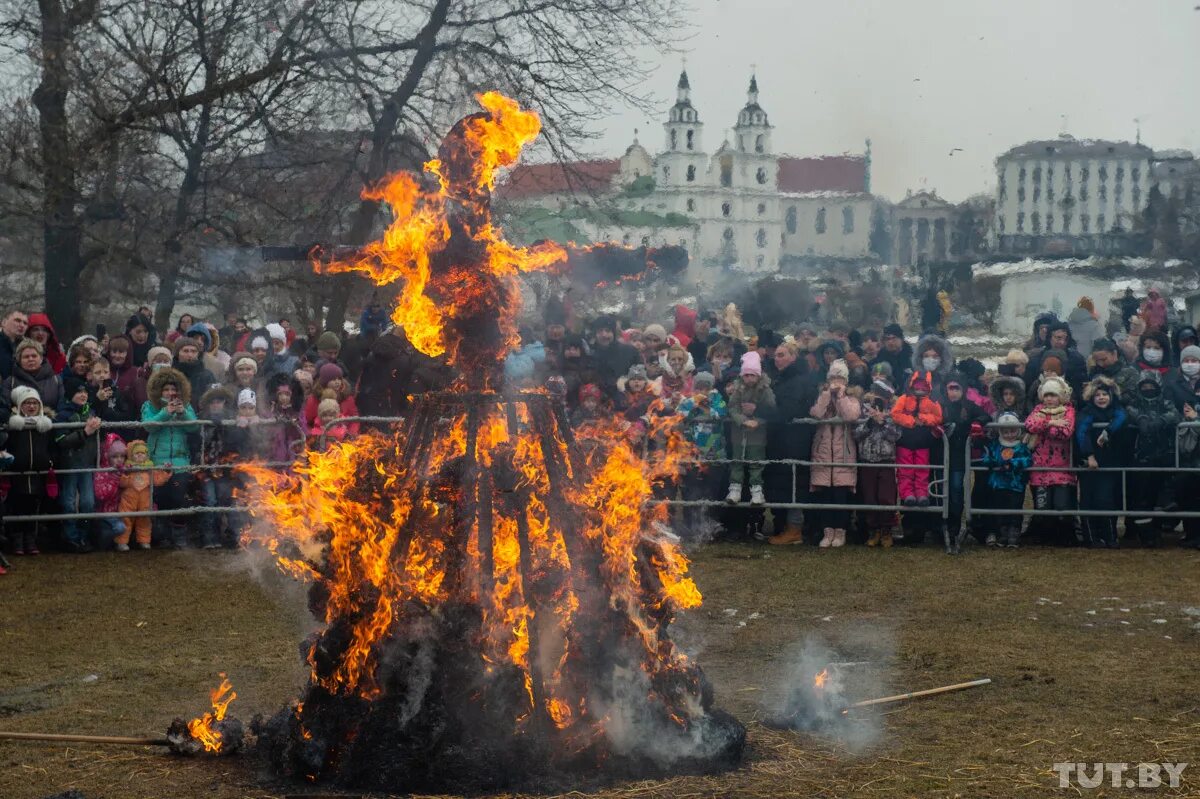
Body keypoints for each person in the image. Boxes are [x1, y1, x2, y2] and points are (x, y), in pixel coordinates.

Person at [141, 367, 198, 548]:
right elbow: (149, 426)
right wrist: (166, 412)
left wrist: (183, 412)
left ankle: (179, 536)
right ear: (159, 390)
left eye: (173, 389)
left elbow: (193, 427)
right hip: (158, 461)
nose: (170, 393)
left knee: (179, 499)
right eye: (166, 389)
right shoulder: (148, 405)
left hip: (180, 462)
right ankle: (162, 535)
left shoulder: (186, 405)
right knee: (161, 498)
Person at [807, 359, 861, 547]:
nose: (836, 381)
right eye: (833, 378)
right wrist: (826, 396)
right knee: (825, 495)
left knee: (841, 495)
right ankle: (827, 531)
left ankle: (841, 531)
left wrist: (841, 397)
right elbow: (816, 413)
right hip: (823, 454)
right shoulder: (822, 396)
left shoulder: (852, 398)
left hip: (843, 456)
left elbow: (851, 415)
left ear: (846, 381)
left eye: (840, 378)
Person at [765, 340, 813, 546]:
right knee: (785, 484)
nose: (777, 358)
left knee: (794, 484)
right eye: (776, 355)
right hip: (783, 439)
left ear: (794, 356)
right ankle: (787, 527)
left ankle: (795, 528)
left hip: (793, 440)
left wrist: (759, 412)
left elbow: (787, 411)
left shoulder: (798, 381)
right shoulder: (783, 379)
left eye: (782, 354)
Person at [1124, 370, 1180, 547]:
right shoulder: (1133, 404)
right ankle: (1146, 535)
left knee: (1163, 497)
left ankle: (1160, 528)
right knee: (1142, 498)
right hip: (1141, 458)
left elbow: (1176, 415)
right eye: (1144, 386)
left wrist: (1162, 420)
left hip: (1165, 456)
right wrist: (1140, 419)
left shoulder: (1166, 403)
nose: (1148, 389)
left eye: (1151, 386)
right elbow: (1129, 412)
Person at [1024, 376, 1077, 546]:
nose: (1049, 399)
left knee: (1061, 505)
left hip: (1061, 468)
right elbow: (1030, 425)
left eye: (1053, 395)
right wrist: (1053, 422)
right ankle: (1045, 537)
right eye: (1046, 395)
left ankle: (1063, 537)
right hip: (1040, 468)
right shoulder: (1038, 409)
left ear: (1061, 396)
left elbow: (1064, 432)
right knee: (1042, 506)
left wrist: (1045, 424)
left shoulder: (1068, 410)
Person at [1076, 376, 1129, 549]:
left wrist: (1108, 431)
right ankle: (1091, 538)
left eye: (1104, 394)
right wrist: (1089, 455)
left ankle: (1111, 537)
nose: (1101, 397)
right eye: (1097, 394)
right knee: (1088, 500)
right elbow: (1082, 432)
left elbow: (1122, 418)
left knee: (1106, 499)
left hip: (1110, 461)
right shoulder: (1087, 412)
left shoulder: (1117, 410)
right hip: (1090, 462)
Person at [53, 381, 104, 552]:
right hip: (69, 465)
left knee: (88, 502)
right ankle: (70, 537)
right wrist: (84, 432)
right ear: (69, 396)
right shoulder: (62, 415)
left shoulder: (91, 412)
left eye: (85, 392)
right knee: (68, 502)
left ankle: (84, 536)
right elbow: (60, 441)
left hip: (87, 465)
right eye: (78, 392)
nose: (83, 395)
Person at [676, 371, 728, 537]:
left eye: (706, 387)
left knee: (711, 491)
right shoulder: (688, 401)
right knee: (691, 490)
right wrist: (695, 402)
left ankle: (712, 525)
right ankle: (691, 525)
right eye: (699, 387)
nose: (703, 390)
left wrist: (706, 404)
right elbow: (680, 413)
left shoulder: (718, 400)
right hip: (692, 455)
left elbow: (720, 414)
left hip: (714, 455)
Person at [4, 386, 54, 555]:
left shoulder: (44, 426)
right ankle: (18, 541)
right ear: (20, 406)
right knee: (17, 505)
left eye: (34, 403)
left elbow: (51, 446)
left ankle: (31, 540)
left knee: (34, 506)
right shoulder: (14, 426)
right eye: (27, 403)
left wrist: (48, 461)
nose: (31, 406)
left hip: (38, 473)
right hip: (17, 473)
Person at [941, 373, 990, 545]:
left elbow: (986, 416)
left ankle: (954, 526)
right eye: (950, 388)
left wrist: (977, 423)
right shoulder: (940, 405)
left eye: (957, 388)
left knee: (956, 490)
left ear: (963, 390)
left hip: (959, 457)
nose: (953, 392)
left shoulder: (969, 406)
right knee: (942, 491)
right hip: (941, 457)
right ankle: (944, 525)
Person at [854, 376, 901, 548]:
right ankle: (874, 530)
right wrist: (869, 422)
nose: (876, 397)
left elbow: (896, 436)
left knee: (886, 497)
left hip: (886, 461)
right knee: (869, 497)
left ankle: (887, 530)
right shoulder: (864, 412)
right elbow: (856, 435)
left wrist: (883, 423)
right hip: (867, 460)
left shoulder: (894, 413)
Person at [725, 351, 775, 506]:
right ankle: (735, 489)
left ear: (758, 375)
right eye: (746, 375)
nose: (749, 379)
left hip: (757, 434)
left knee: (756, 462)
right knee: (737, 461)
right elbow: (732, 407)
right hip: (739, 433)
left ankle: (757, 491)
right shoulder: (737, 389)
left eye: (752, 375)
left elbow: (770, 409)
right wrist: (742, 420)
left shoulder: (765, 390)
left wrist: (757, 421)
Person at [978, 412, 1033, 548]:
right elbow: (986, 457)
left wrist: (1013, 464)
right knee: (1001, 508)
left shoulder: (1021, 447)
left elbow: (1027, 460)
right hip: (999, 484)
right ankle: (1003, 533)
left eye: (1012, 431)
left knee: (1015, 508)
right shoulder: (996, 445)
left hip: (1016, 485)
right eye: (1005, 431)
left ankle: (1014, 533)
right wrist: (994, 462)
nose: (1009, 434)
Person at [891, 371, 943, 507]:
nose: (920, 390)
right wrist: (912, 421)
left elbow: (938, 418)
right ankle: (907, 494)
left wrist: (923, 419)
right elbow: (895, 414)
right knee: (905, 470)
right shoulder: (903, 398)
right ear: (911, 385)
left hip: (923, 442)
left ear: (928, 387)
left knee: (922, 470)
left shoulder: (932, 401)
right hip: (905, 441)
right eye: (917, 387)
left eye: (923, 387)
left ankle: (921, 494)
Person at [116, 440, 171, 550]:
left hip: (145, 499)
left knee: (145, 520)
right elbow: (122, 483)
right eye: (137, 453)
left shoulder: (150, 469)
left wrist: (165, 471)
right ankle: (122, 542)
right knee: (125, 519)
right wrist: (125, 473)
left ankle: (144, 541)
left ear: (147, 455)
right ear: (131, 455)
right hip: (128, 499)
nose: (140, 455)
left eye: (143, 453)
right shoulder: (128, 468)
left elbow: (158, 480)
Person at [0, 339, 64, 426]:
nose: (30, 359)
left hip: (51, 430)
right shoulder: (10, 382)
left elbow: (62, 406)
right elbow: (6, 408)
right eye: (26, 357)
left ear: (41, 358)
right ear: (19, 360)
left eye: (34, 356)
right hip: (20, 434)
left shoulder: (56, 380)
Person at [0, 309, 29, 380]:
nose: (22, 325)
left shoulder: (29, 347)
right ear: (3, 322)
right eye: (17, 320)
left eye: (25, 323)